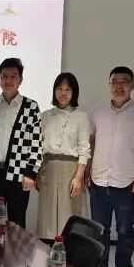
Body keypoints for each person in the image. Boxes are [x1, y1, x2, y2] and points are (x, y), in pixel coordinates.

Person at [88, 66, 134, 267]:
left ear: (132, 85)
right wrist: (87, 170)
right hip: (98, 179)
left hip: (126, 181)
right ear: (109, 84)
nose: (119, 85)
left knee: (125, 229)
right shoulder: (97, 111)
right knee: (100, 228)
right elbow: (92, 142)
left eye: (124, 81)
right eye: (114, 81)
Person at [0, 58, 42, 228]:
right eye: (4, 76)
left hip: (19, 174)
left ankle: (16, 248)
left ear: (21, 79)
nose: (8, 80)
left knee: (17, 222)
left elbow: (37, 142)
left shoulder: (31, 107)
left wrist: (31, 173)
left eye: (13, 76)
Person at [37, 72, 91, 241]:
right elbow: (37, 147)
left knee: (71, 213)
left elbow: (84, 149)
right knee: (48, 214)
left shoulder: (81, 117)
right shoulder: (45, 116)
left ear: (74, 92)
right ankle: (47, 251)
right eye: (59, 88)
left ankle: (71, 253)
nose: (63, 93)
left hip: (71, 170)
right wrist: (36, 173)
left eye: (68, 89)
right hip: (48, 168)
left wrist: (79, 176)